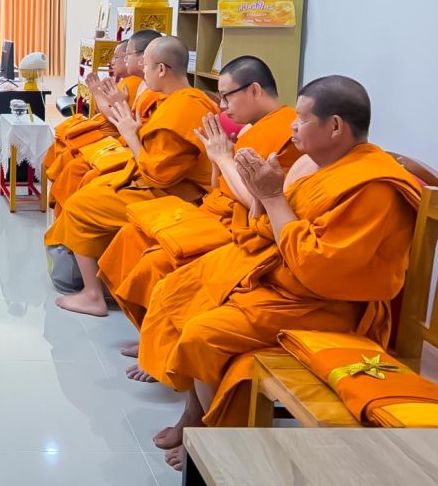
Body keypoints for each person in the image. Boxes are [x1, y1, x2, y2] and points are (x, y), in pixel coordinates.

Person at [137, 76, 421, 470]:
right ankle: (195, 417)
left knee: (202, 332)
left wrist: (271, 196)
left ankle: (219, 447)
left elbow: (320, 268)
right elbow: (274, 228)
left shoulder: (374, 187)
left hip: (327, 306)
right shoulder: (329, 167)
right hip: (285, 281)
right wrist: (263, 195)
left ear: (334, 127)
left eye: (301, 120)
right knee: (181, 287)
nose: (292, 127)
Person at [97, 56, 300, 380]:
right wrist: (218, 158)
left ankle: (165, 350)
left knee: (157, 261)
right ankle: (154, 338)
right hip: (215, 209)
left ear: (254, 90)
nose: (222, 106)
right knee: (131, 237)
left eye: (227, 96)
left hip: (241, 228)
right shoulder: (254, 128)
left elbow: (262, 202)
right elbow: (220, 186)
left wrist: (223, 158)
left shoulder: (287, 137)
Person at [45, 36, 218, 317]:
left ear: (161, 69)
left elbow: (158, 174)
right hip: (157, 181)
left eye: (145, 65)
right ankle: (98, 278)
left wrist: (130, 134)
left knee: (79, 205)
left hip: (175, 195)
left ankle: (92, 295)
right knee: (89, 184)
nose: (142, 71)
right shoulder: (176, 100)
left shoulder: (184, 107)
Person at [47, 31, 163, 212]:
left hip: (132, 152)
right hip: (127, 146)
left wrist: (105, 97)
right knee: (72, 158)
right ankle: (62, 209)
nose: (118, 61)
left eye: (127, 55)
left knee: (78, 170)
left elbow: (124, 122)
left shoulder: (153, 92)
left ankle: (66, 210)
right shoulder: (143, 85)